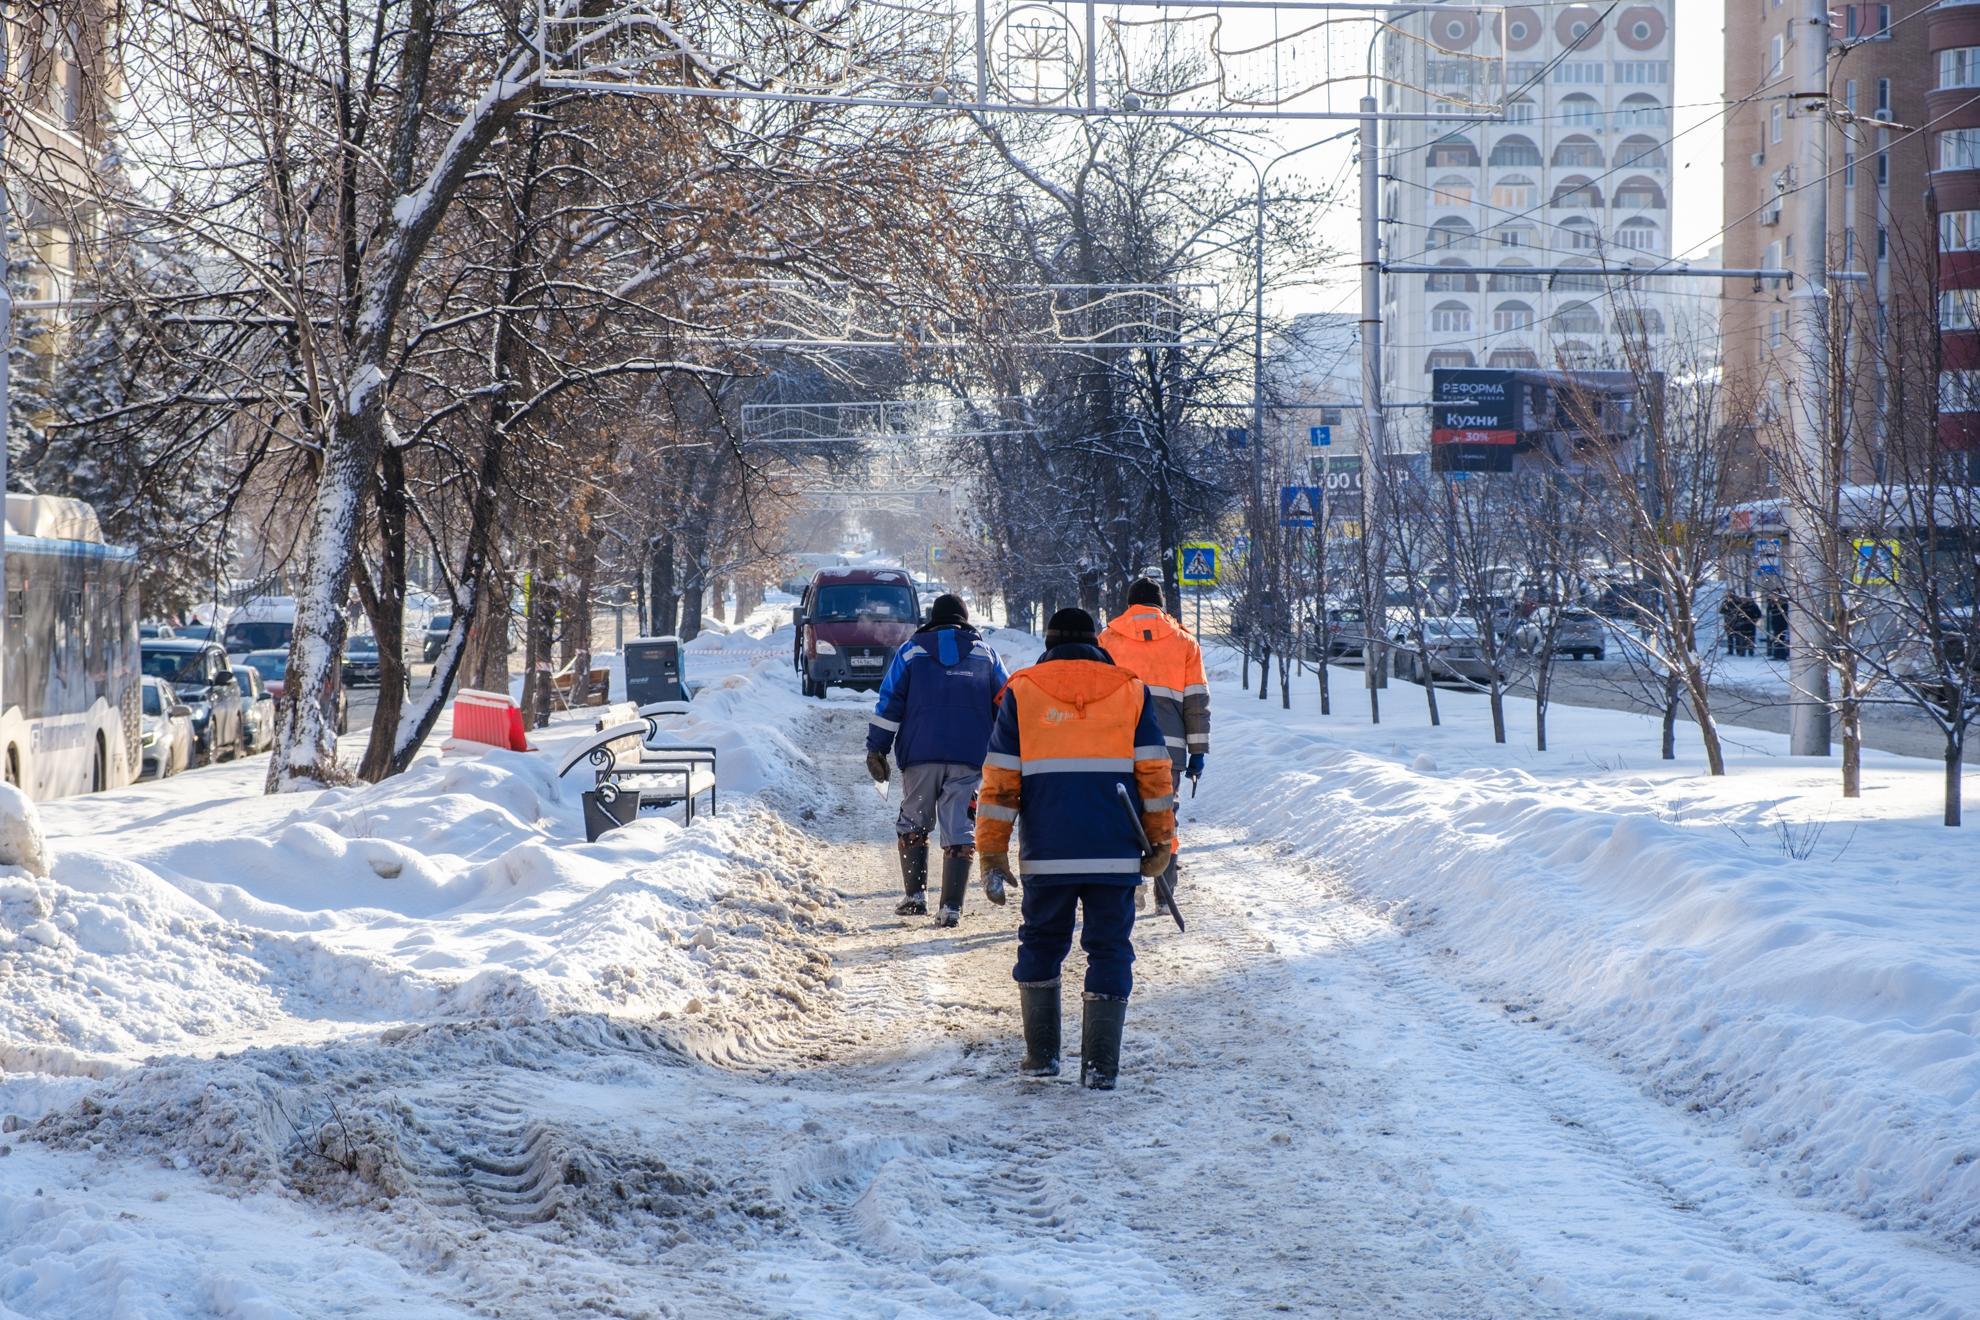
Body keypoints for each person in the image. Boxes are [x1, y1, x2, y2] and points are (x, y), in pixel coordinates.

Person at [976, 608, 1175, 1090]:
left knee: (1042, 943)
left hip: (1049, 849)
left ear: (1049, 641)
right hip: (1115, 849)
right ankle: (1101, 1067)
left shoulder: (1023, 691)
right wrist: (1162, 839)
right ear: (1095, 641)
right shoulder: (1130, 690)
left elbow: (1000, 780)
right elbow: (1154, 772)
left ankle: (1042, 1056)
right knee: (1110, 949)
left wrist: (992, 850)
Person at [866, 594, 1009, 926]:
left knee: (914, 818)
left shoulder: (911, 652)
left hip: (920, 755)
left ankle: (916, 897)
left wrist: (877, 749)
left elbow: (889, 706)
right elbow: (1005, 706)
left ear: (932, 618)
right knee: (961, 823)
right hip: (969, 758)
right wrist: (1009, 755)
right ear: (964, 619)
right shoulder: (985, 655)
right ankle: (951, 907)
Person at [1098, 578, 1208, 914]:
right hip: (1168, 751)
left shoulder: (1108, 638)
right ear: (1162, 605)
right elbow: (1196, 701)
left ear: (1130, 605)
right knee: (1163, 818)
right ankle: (1165, 894)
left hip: (1121, 746)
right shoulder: (1185, 643)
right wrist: (1197, 751)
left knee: (1124, 816)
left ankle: (1132, 887)